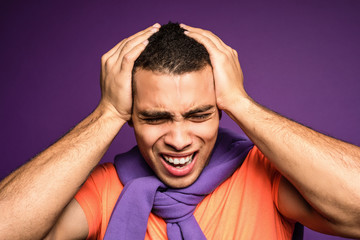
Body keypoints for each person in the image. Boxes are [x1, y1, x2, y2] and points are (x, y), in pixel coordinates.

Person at [0, 22, 359, 240]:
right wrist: (106, 114)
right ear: (131, 116)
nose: (179, 139)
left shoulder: (263, 175)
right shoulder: (105, 190)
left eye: (199, 115)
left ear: (221, 109)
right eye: (156, 118)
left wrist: (242, 103)